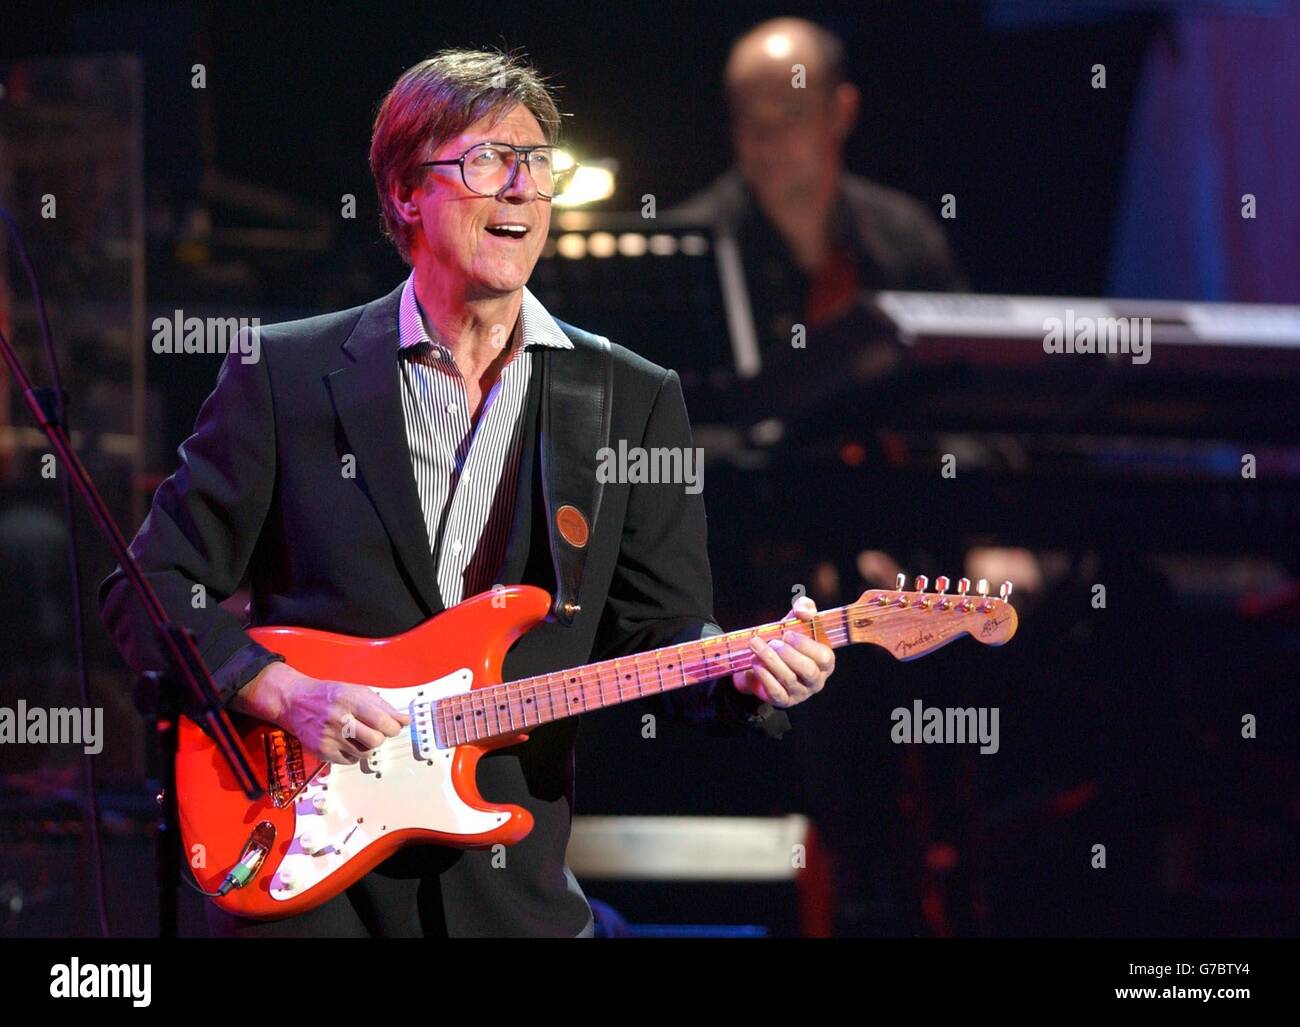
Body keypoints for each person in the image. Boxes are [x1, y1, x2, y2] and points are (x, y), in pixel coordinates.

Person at [99, 48, 835, 938]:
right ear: (407, 191)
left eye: (537, 164)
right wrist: (279, 689)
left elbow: (662, 634)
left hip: (510, 898)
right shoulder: (285, 374)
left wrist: (749, 675)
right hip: (311, 876)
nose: (522, 188)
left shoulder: (629, 397)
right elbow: (147, 590)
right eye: (488, 160)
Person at [675, 16, 965, 356]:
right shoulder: (688, 251)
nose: (766, 142)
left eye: (791, 114)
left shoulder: (906, 236)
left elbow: (960, 375)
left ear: (842, 112)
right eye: (748, 117)